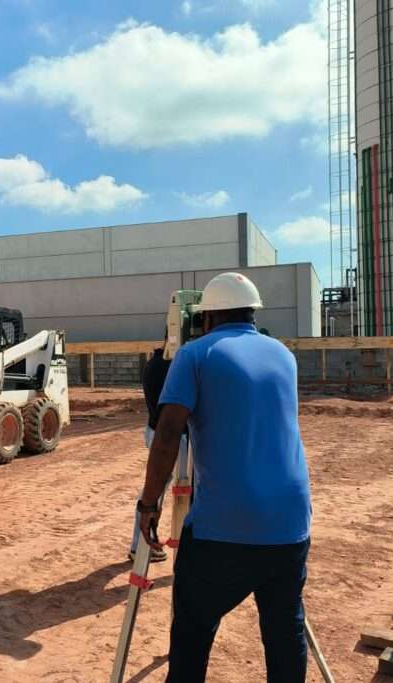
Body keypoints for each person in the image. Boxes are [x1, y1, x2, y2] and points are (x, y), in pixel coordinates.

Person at [137, 272, 311, 683]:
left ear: (207, 318)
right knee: (285, 632)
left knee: (193, 631)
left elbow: (166, 437)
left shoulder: (196, 354)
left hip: (224, 529)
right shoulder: (284, 355)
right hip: (291, 525)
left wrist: (149, 504)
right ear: (252, 313)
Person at [128, 339, 186, 563]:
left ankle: (139, 546)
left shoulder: (154, 363)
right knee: (184, 494)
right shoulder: (180, 365)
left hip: (154, 431)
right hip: (176, 438)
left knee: (154, 490)